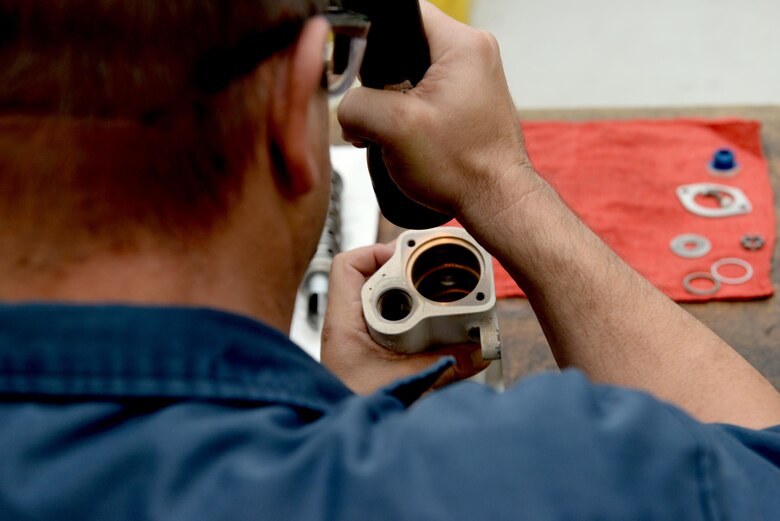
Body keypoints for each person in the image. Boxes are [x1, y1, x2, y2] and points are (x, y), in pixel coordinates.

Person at [1, 0, 779, 519]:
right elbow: (761, 470)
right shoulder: (515, 478)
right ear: (290, 111)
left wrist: (338, 409)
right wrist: (500, 182)